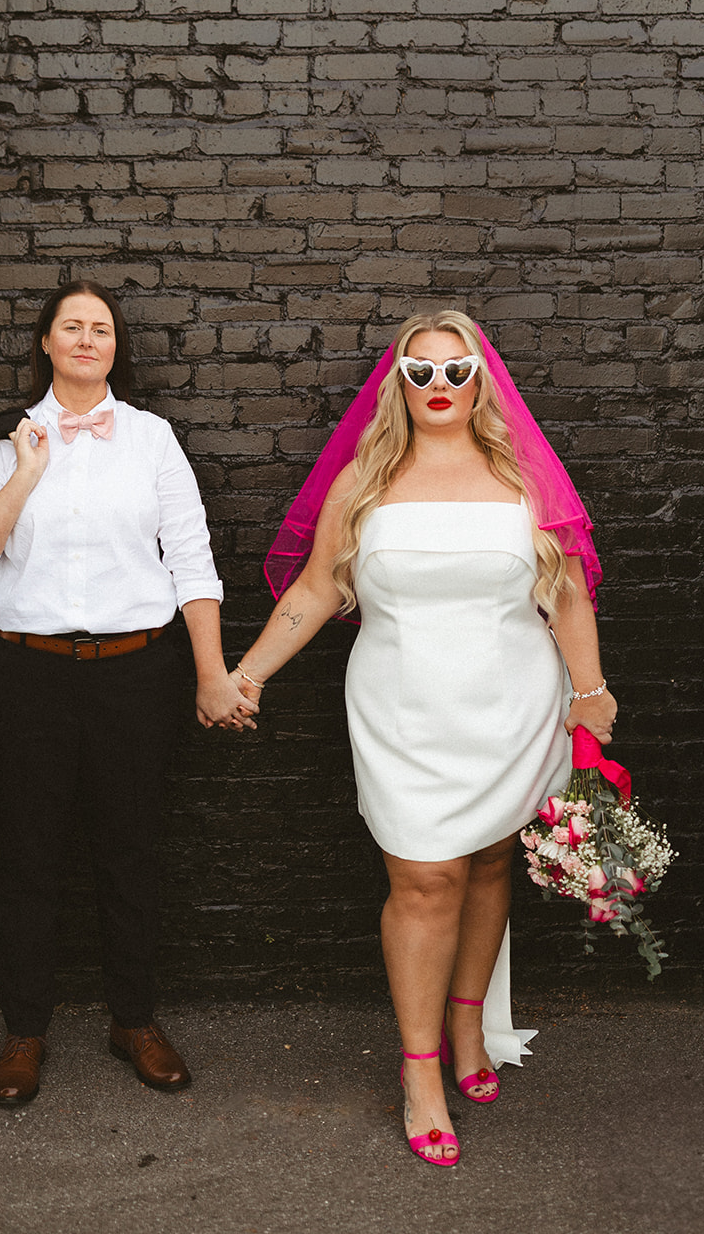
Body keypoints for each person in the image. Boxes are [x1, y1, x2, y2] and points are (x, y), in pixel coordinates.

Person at [226, 310, 617, 1166]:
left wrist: (589, 693)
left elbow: (569, 596)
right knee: (425, 878)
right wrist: (244, 675)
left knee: (483, 862)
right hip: (402, 710)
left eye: (455, 369)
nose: (438, 386)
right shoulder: (364, 480)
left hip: (513, 704)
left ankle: (469, 1032)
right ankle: (419, 1070)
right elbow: (314, 593)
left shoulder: (523, 476)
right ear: (397, 383)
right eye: (420, 371)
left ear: (482, 378)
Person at [0, 279, 253, 1109]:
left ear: (114, 348)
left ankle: (133, 1020)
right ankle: (24, 1031)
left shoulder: (152, 440)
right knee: (27, 858)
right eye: (73, 326)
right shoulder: (5, 444)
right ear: (48, 345)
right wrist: (27, 473)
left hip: (136, 673)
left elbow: (192, 563)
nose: (88, 339)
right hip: (25, 677)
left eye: (101, 328)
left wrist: (210, 673)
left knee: (130, 851)